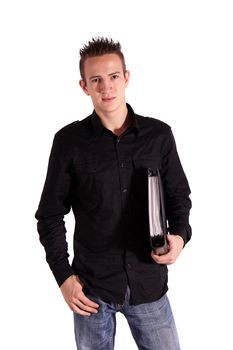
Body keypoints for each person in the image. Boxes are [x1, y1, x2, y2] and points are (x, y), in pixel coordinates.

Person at [35, 37, 192, 350]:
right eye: (96, 80)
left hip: (149, 284)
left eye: (113, 77)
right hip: (92, 291)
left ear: (127, 77)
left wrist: (180, 237)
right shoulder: (69, 142)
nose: (106, 87)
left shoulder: (158, 136)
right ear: (84, 86)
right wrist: (64, 277)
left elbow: (178, 197)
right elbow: (49, 216)